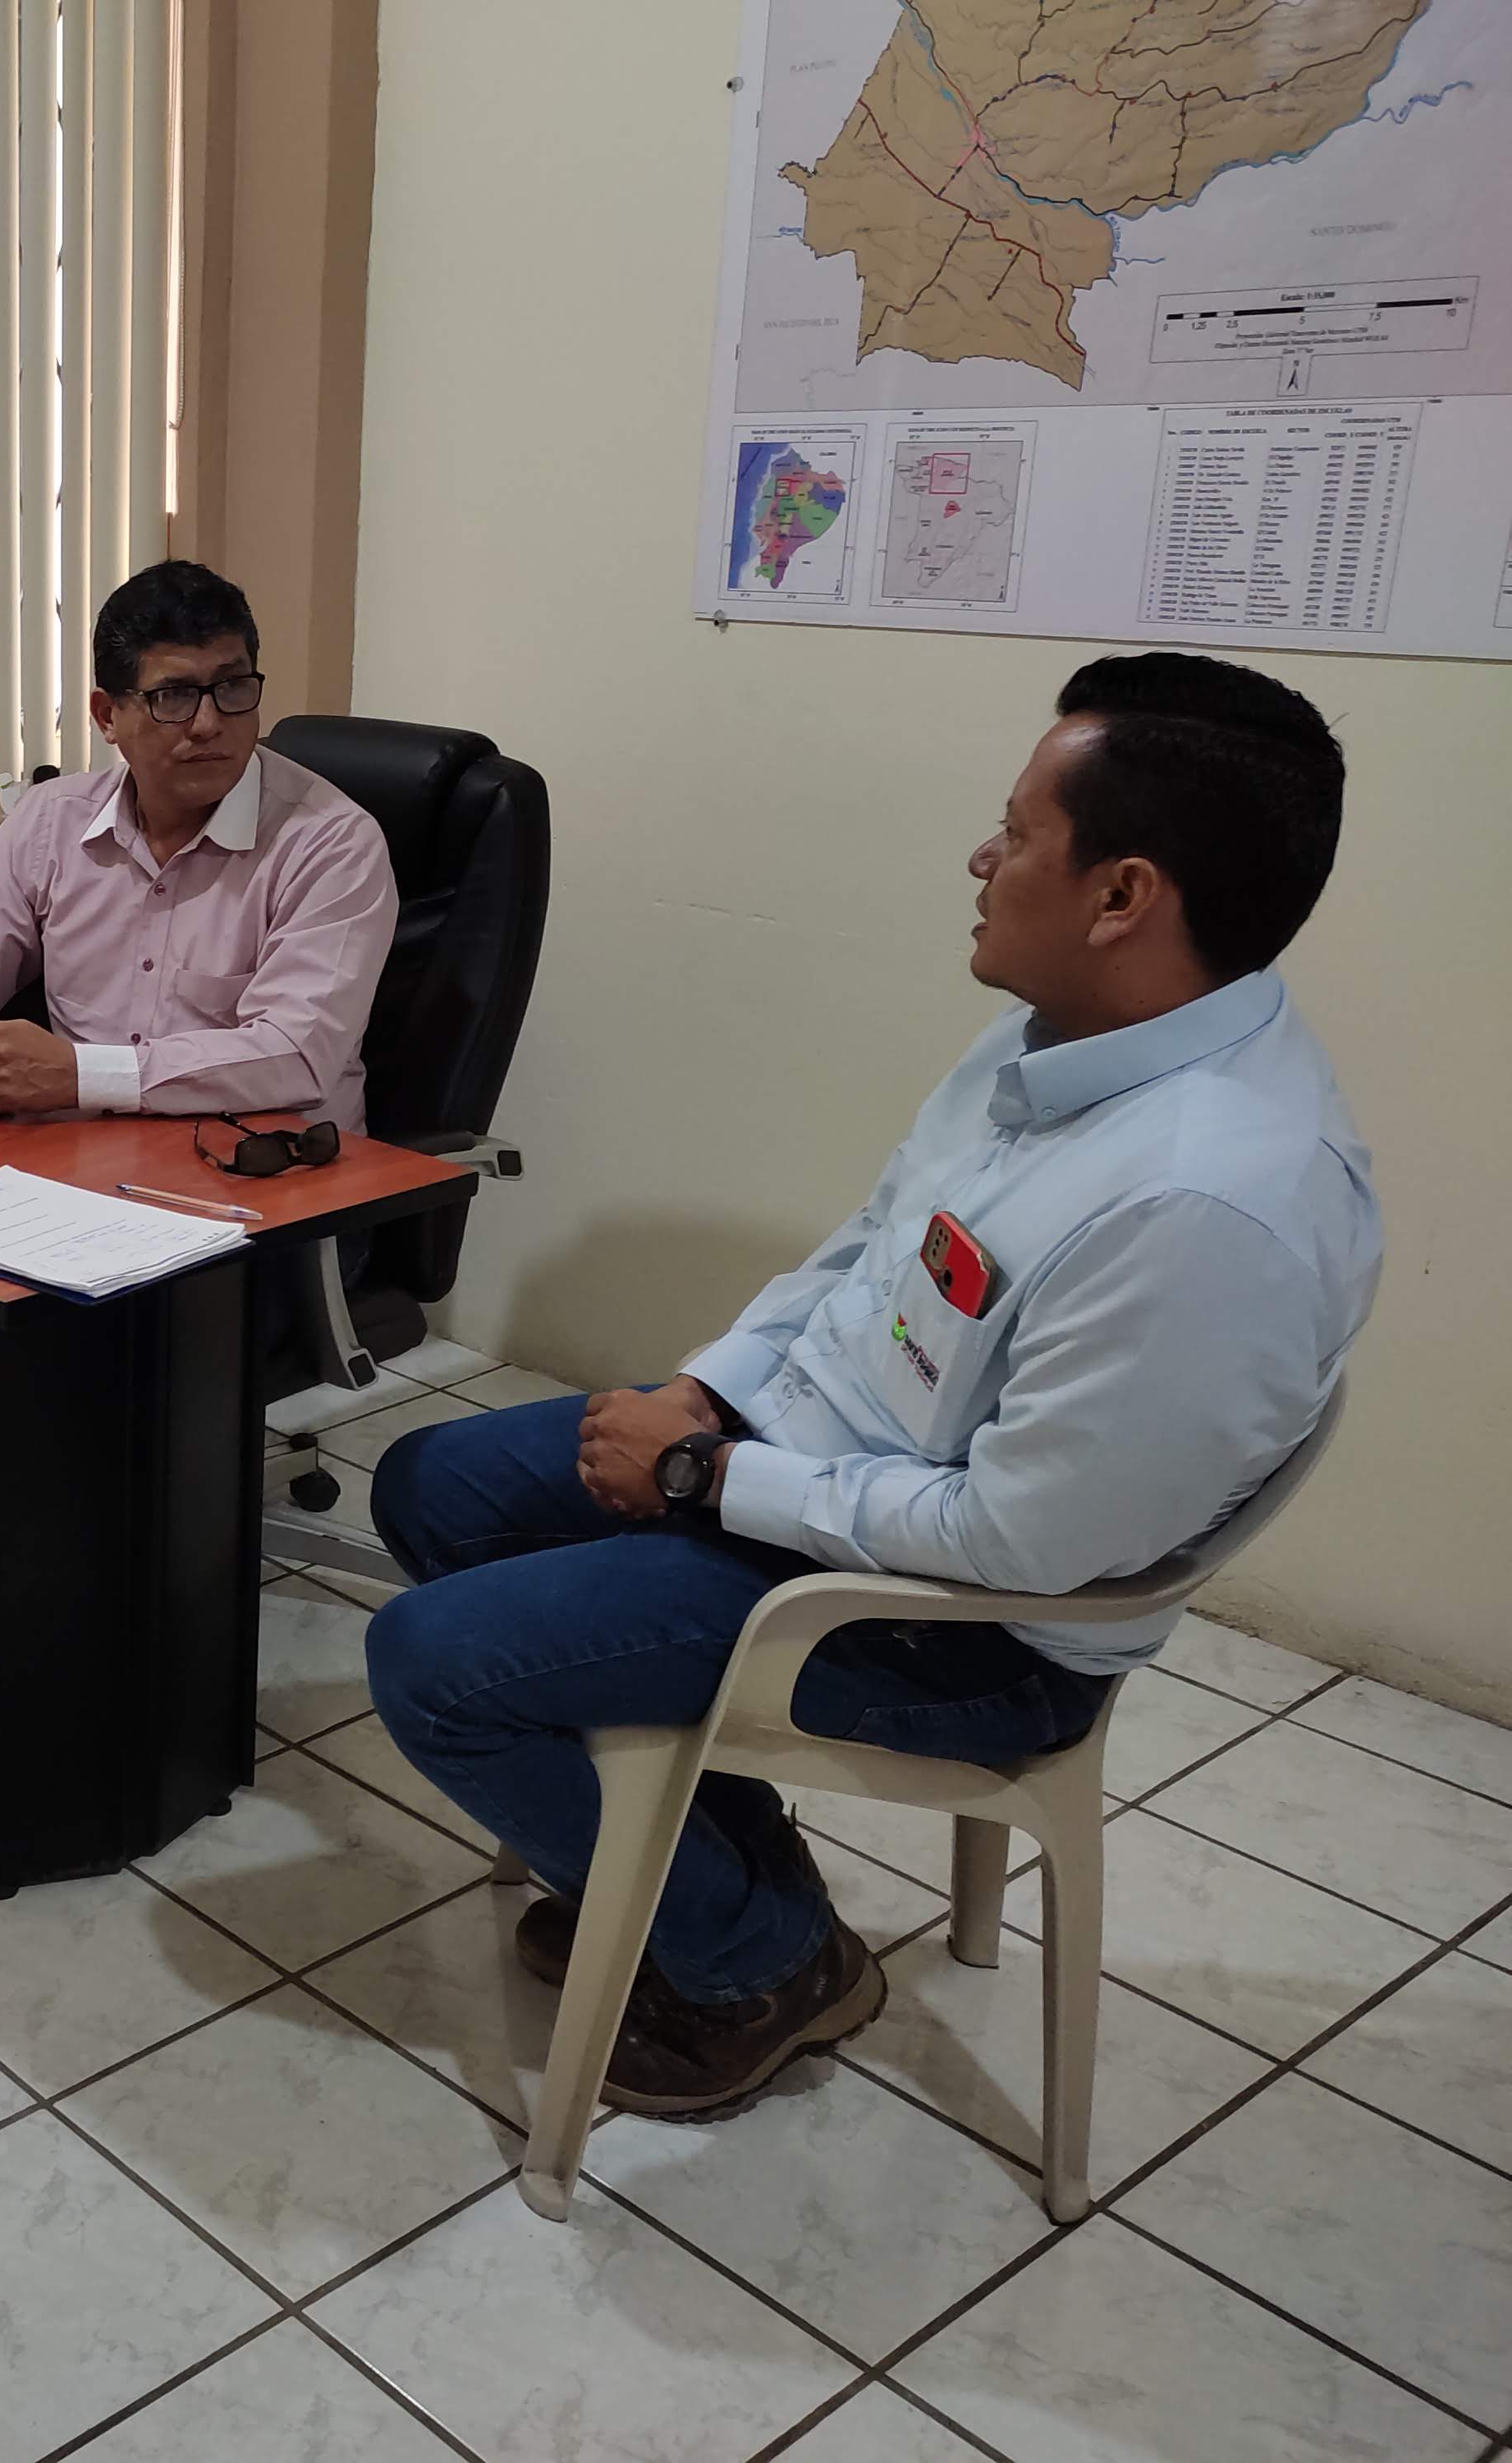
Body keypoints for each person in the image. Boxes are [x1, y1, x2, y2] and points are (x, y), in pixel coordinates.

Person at [362, 652, 1378, 2120]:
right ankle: (707, 1853)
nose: (981, 859)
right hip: (829, 1461)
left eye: (1016, 832)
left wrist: (705, 1478)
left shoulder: (1210, 1210)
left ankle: (760, 1959)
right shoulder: (1060, 1037)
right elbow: (867, 1250)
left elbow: (1019, 1545)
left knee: (433, 1668)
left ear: (1121, 895)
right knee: (431, 1486)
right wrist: (708, 1396)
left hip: (964, 1626)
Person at [0, 559, 399, 1745]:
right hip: (77, 1175)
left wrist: (76, 1073)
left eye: (234, 687)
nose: (210, 723)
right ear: (108, 715)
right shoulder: (50, 825)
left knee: (29, 1345)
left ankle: (54, 1673)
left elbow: (294, 1053)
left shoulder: (330, 843)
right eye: (173, 696)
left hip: (268, 1201)